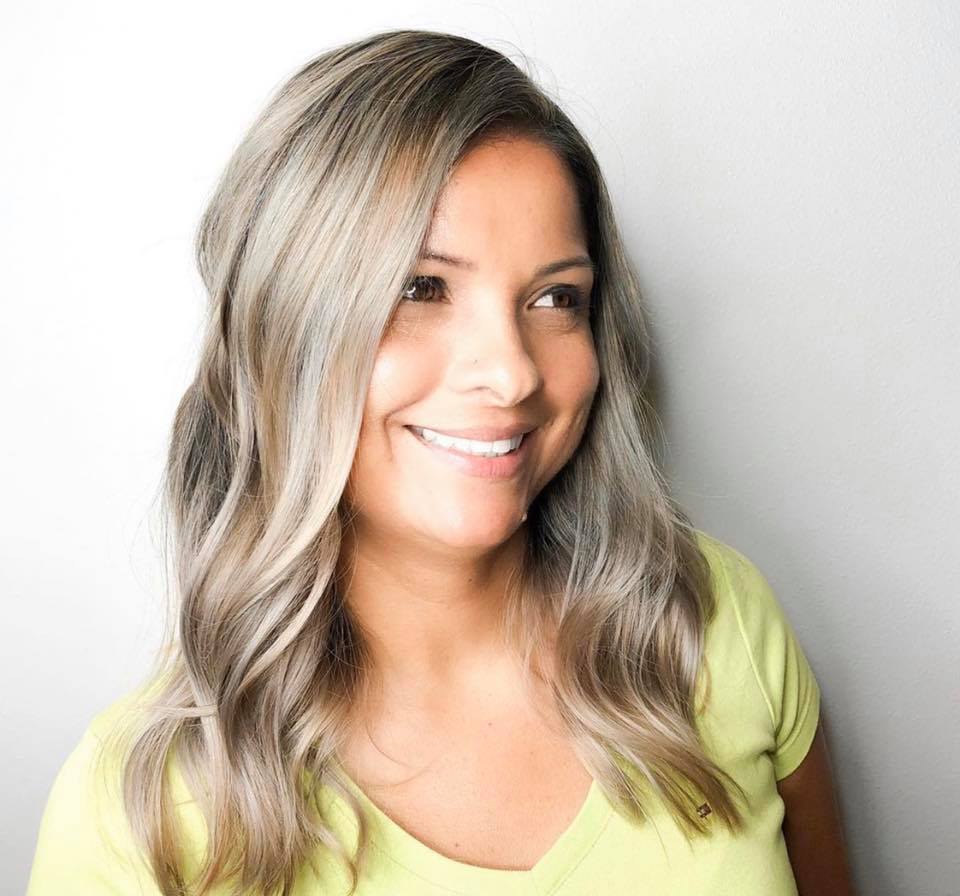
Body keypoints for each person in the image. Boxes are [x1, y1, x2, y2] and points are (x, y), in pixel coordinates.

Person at [26, 28, 856, 896]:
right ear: (283, 331)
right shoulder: (137, 816)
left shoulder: (713, 623)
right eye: (419, 288)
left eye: (556, 297)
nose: (512, 372)